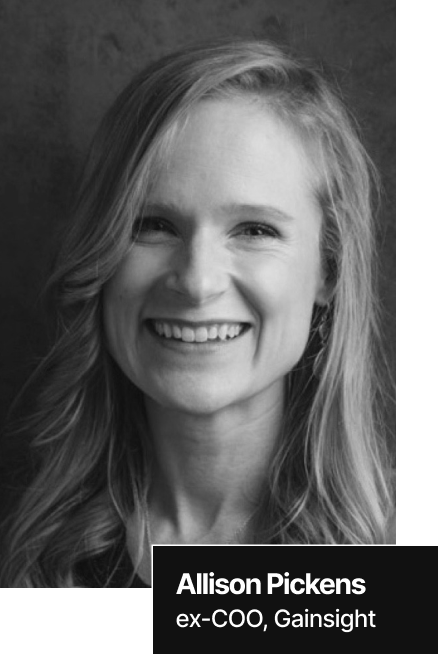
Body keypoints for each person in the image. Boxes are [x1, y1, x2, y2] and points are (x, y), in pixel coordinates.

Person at [0, 38, 395, 588]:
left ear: (327, 270)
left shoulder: (408, 562)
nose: (197, 281)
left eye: (254, 230)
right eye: (152, 225)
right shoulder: (34, 560)